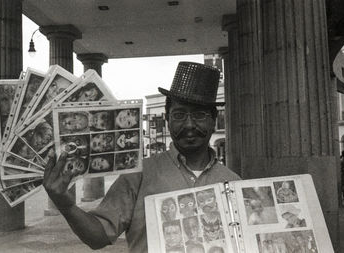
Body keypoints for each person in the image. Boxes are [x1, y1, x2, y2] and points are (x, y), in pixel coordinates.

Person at [43, 62, 240, 252]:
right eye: (179, 115)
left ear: (213, 121)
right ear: (167, 120)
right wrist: (65, 204)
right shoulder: (138, 175)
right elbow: (98, 237)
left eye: (199, 115)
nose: (189, 124)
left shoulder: (233, 184)